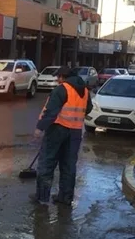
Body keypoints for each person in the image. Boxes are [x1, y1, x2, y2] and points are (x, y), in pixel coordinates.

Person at [30, 66, 93, 206]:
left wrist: (40, 128)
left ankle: (42, 197)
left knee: (47, 163)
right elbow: (88, 109)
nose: (57, 79)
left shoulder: (62, 89)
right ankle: (65, 198)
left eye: (58, 77)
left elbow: (51, 111)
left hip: (58, 129)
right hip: (75, 132)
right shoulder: (85, 91)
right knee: (68, 165)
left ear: (63, 77)